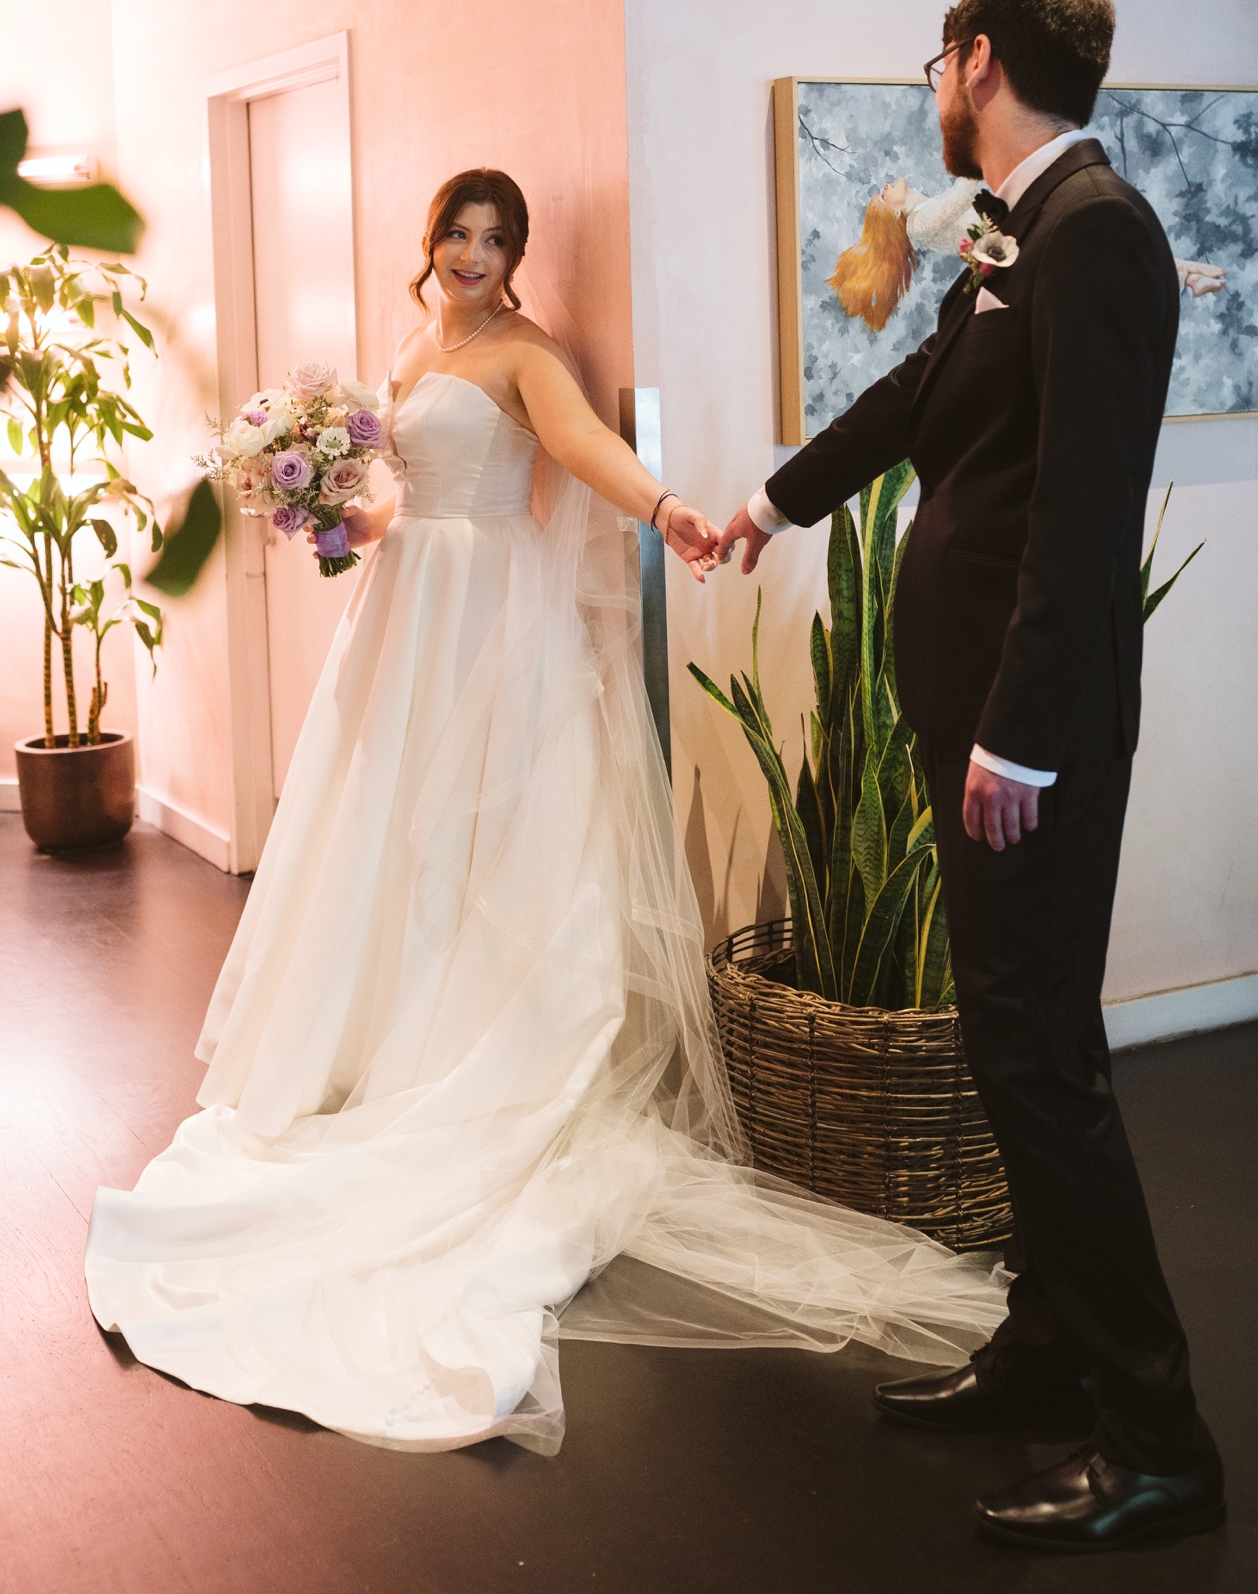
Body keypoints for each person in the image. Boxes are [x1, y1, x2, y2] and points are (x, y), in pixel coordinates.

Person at [85, 166, 1006, 1452]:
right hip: (408, 610)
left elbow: (579, 447)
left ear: (517, 253)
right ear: (430, 242)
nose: (473, 252)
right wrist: (339, 515)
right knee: (391, 842)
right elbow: (396, 488)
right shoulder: (418, 342)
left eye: (496, 237)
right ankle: (384, 1041)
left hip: (489, 622)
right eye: (456, 232)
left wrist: (669, 507)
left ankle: (474, 1058)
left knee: (487, 846)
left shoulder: (526, 351)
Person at [719, 0, 1224, 1553]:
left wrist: (1020, 731)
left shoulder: (1098, 233)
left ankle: (1159, 1438)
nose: (933, 84)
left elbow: (1082, 514)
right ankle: (1047, 1340)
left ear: (980, 60)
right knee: (1019, 1043)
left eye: (938, 59)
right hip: (984, 716)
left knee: (1037, 1055)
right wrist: (774, 503)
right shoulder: (1022, 228)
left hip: (1032, 737)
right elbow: (923, 390)